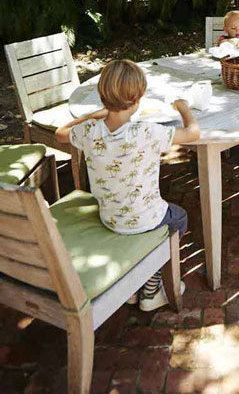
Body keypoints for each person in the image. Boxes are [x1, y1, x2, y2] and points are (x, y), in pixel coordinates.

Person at [56, 59, 200, 311]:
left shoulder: (90, 131)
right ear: (137, 100)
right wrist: (183, 108)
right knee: (180, 218)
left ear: (103, 97)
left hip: (109, 218)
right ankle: (151, 288)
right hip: (146, 218)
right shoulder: (146, 132)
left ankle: (134, 287)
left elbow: (60, 132)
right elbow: (193, 133)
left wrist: (93, 115)